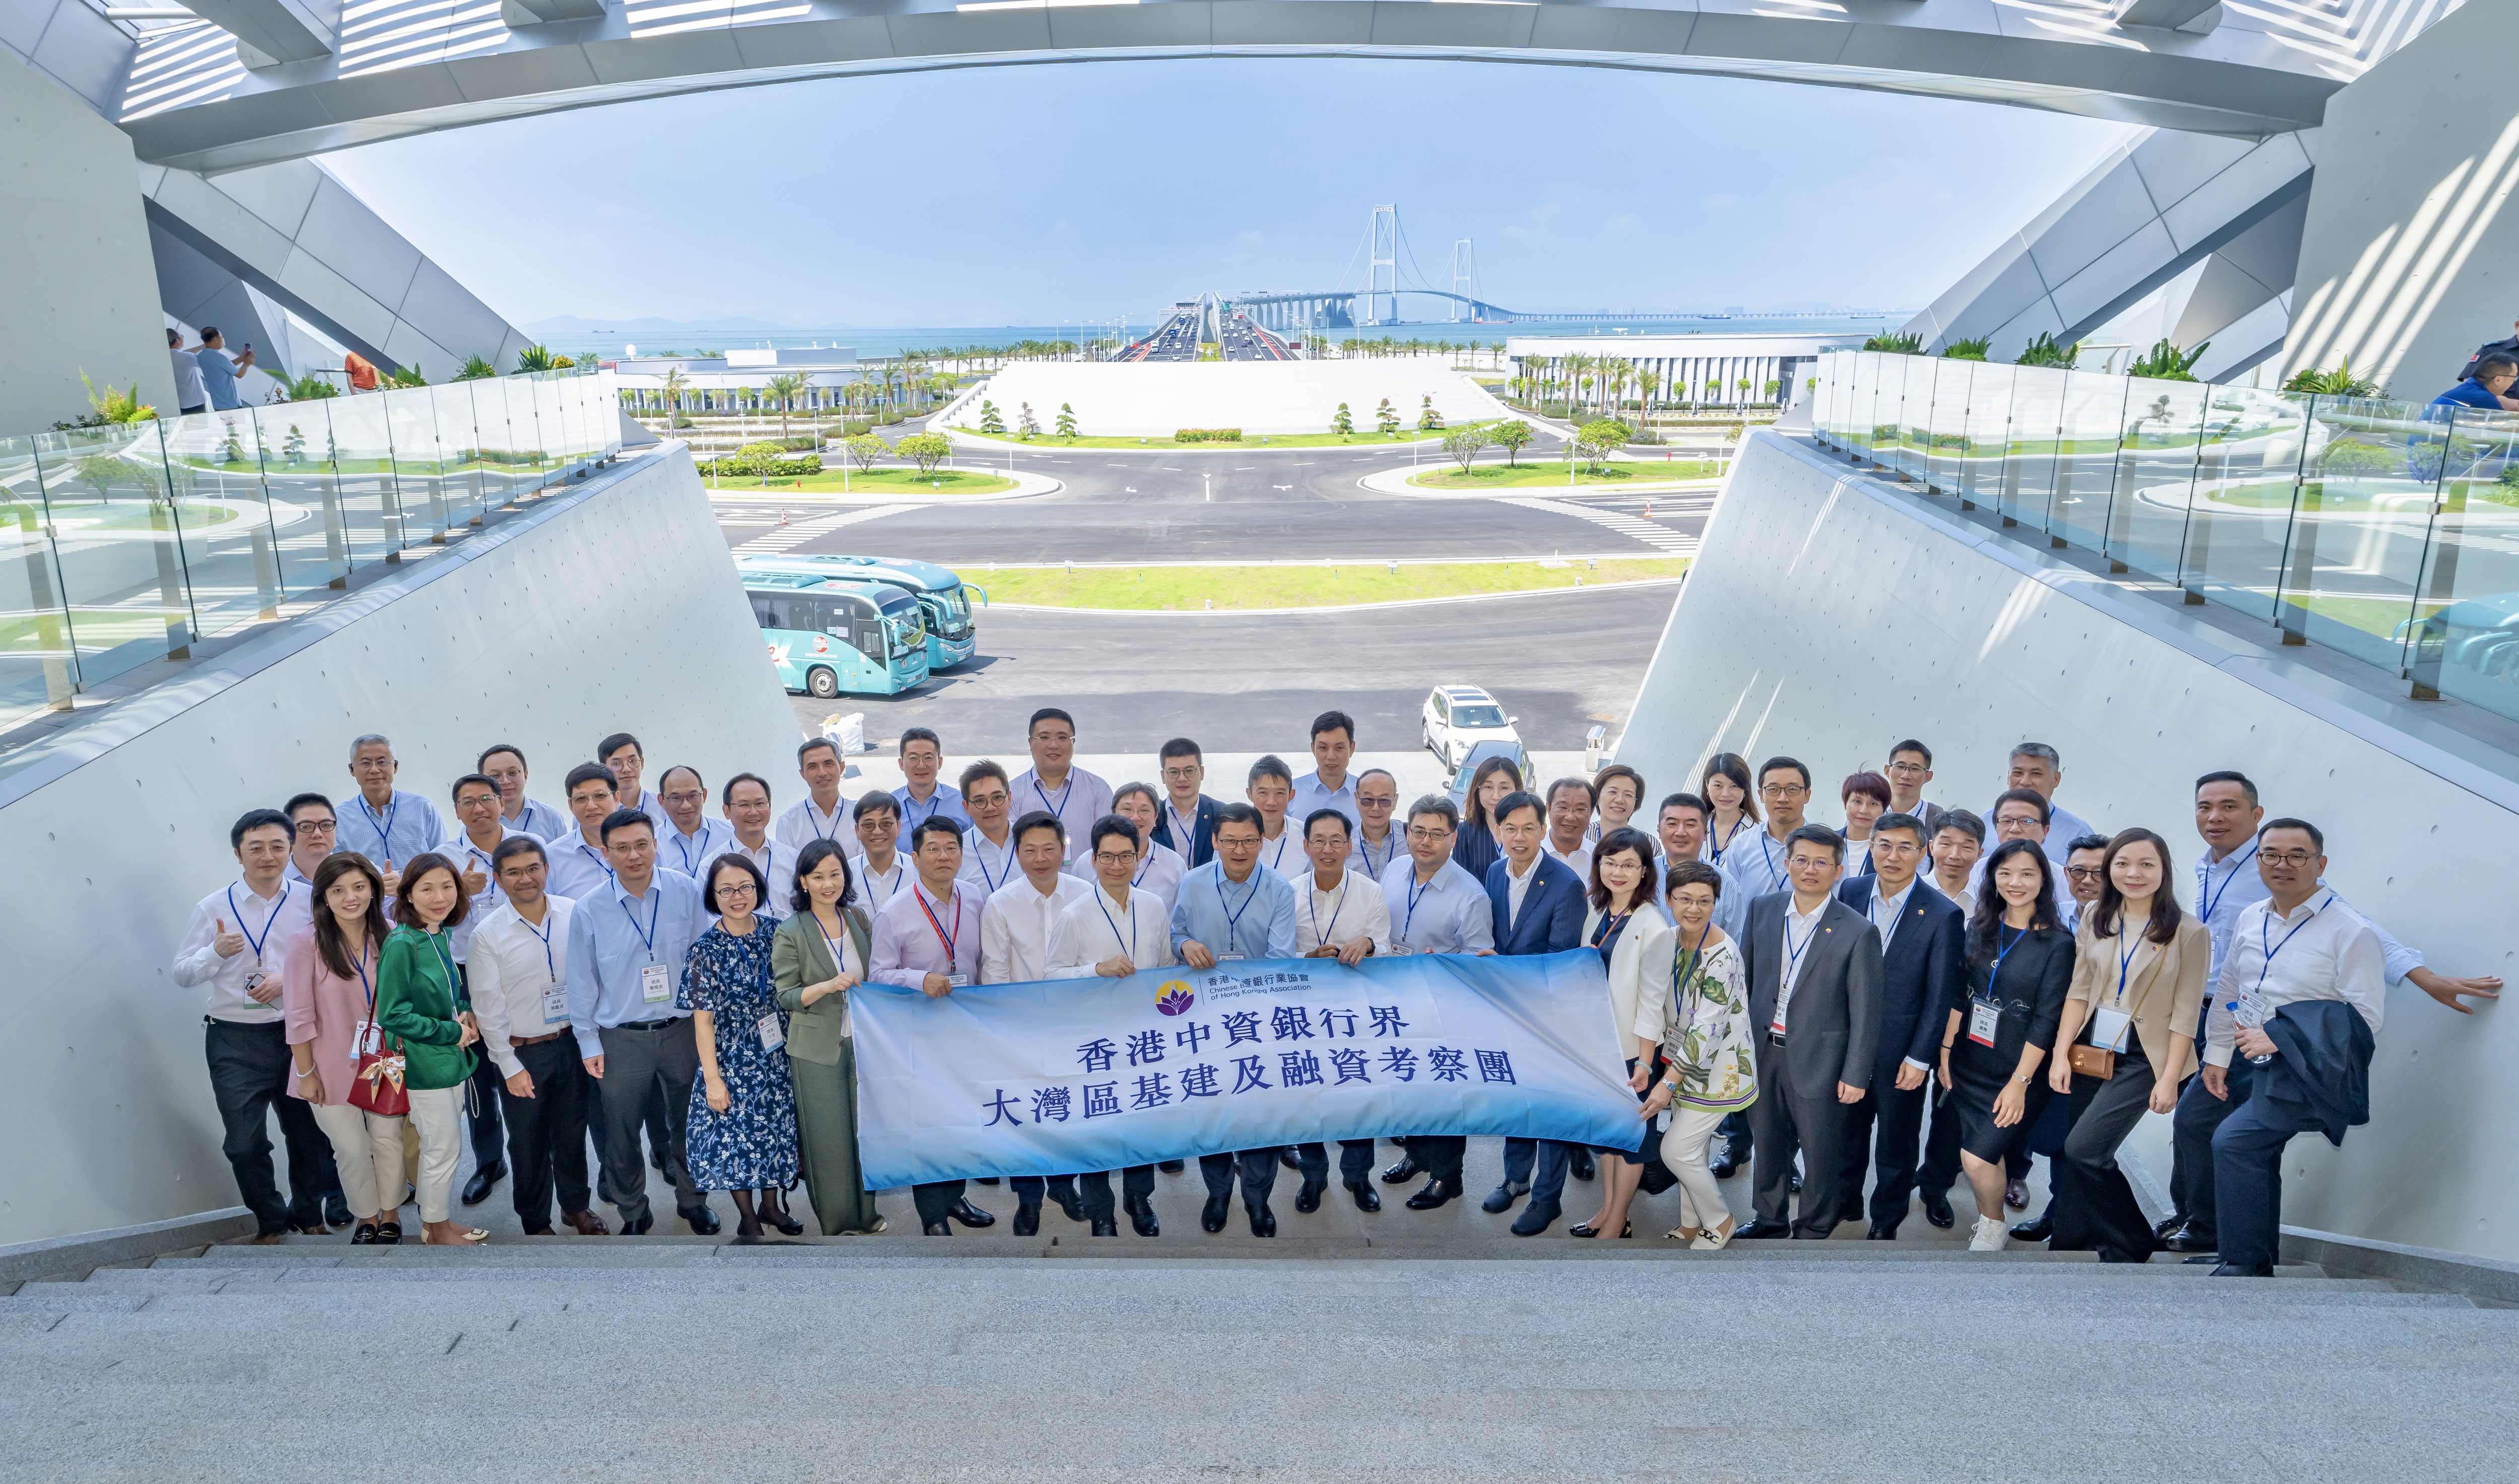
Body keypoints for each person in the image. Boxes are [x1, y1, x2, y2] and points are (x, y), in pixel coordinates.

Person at [2200, 819, 2387, 1277]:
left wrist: (2281, 1036)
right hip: (2245, 1052)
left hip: (2300, 1063)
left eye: (2297, 856)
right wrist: (2217, 1055)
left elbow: (2366, 1018)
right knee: (2193, 1123)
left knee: (2236, 1142)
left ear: (2320, 864)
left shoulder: (2351, 930)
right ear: (2258, 861)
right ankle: (2236, 1243)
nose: (2282, 864)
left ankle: (2246, 1261)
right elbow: (2231, 987)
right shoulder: (2252, 916)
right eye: (2271, 854)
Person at [2046, 827, 2206, 1265]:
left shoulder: (2189, 932)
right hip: (2094, 1045)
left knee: (2086, 1149)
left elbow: (2187, 1014)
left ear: (2163, 870)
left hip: (2144, 1055)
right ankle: (2075, 1238)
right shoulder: (2097, 915)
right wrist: (2060, 1053)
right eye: (2123, 864)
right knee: (2077, 1148)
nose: (2134, 873)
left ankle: (2132, 1241)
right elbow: (2079, 991)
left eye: (2146, 864)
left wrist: (2169, 1079)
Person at [175, 809, 329, 1242]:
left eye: (278, 846)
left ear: (291, 849)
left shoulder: (311, 900)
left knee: (309, 1133)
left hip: (298, 1034)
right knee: (244, 1143)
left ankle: (309, 1214)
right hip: (234, 1039)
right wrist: (214, 953)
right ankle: (271, 1220)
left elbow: (331, 961)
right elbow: (182, 973)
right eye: (256, 848)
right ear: (238, 854)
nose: (268, 856)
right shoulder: (212, 907)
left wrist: (289, 980)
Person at [566, 808, 718, 1236]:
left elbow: (702, 961)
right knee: (621, 1131)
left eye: (641, 845)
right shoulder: (589, 908)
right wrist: (588, 1041)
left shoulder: (686, 891)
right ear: (605, 853)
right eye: (622, 848)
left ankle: (694, 1201)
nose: (634, 855)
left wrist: (709, 1027)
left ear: (655, 845)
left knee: (690, 1121)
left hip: (681, 1030)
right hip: (621, 1037)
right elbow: (581, 980)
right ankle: (634, 1210)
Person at [1735, 825, 1880, 1241]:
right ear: (1787, 864)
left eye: (1821, 862)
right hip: (1764, 1050)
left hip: (1822, 1059)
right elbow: (1744, 982)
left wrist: (1856, 1074)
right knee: (1767, 1141)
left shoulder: (1858, 931)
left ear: (1838, 871)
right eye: (1801, 860)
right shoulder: (1763, 909)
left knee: (1820, 1150)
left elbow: (1866, 1010)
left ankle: (1815, 1224)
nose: (1810, 869)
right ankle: (1769, 1218)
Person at [1832, 811, 1965, 1239]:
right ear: (1870, 847)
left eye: (1905, 847)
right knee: (1846, 1132)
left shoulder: (1943, 914)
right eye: (1884, 846)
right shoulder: (1850, 891)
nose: (1893, 856)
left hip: (1901, 1051)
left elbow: (1941, 995)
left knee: (1896, 1141)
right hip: (1847, 1044)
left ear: (1923, 853)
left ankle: (1887, 1220)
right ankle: (1845, 1203)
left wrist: (1920, 1057)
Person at [1936, 839, 2074, 1251]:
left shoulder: (2059, 944)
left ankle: (1993, 1225)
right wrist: (1945, 1052)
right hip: (1968, 1063)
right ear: (1993, 877)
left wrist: (2020, 1083)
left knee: (1977, 1157)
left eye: (2027, 874)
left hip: (2018, 1073)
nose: (2016, 882)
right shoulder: (1979, 928)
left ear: (2044, 881)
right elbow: (1960, 995)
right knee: (1981, 1154)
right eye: (2006, 873)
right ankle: (1990, 1221)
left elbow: (2047, 1019)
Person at [1044, 814, 1178, 1236]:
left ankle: (1139, 1200)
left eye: (1125, 856)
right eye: (1107, 857)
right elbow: (1050, 976)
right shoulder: (1074, 915)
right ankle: (1101, 1211)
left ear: (1139, 857)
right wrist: (1095, 969)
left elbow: (1165, 966)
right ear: (1093, 859)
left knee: (1143, 1119)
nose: (1116, 865)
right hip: (1095, 1040)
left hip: (1143, 1037)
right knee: (1098, 1124)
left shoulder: (1154, 907)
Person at [1169, 803, 1298, 1235]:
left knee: (1261, 1108)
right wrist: (1185, 946)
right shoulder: (1193, 882)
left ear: (1262, 842)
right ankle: (1219, 1192)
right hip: (1205, 1015)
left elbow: (1280, 959)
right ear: (1215, 842)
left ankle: (1258, 1199)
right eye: (1229, 841)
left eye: (1248, 841)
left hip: (1259, 1017)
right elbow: (1176, 933)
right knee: (1214, 1107)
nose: (1239, 850)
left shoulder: (1280, 890)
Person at [468, 835, 605, 1237]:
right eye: (513, 872)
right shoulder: (487, 935)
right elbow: (487, 1008)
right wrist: (508, 1066)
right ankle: (535, 1219)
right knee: (527, 1141)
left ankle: (576, 1207)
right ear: (498, 878)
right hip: (522, 1052)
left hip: (572, 1042)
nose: (525, 878)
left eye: (532, 868)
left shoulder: (574, 912)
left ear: (546, 869)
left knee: (572, 1131)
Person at [869, 817, 997, 1236]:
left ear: (961, 853)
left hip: (966, 1027)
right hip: (919, 1032)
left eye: (951, 848)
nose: (944, 856)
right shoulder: (894, 912)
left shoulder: (974, 897)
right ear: (915, 856)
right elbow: (878, 975)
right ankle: (933, 1216)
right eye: (933, 849)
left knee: (961, 1118)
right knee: (928, 1124)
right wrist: (918, 979)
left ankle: (955, 1196)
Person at [1375, 795, 1497, 1203]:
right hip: (1396, 1002)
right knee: (1409, 1082)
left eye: (1437, 834)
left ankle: (1448, 1176)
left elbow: (1479, 960)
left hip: (1443, 1008)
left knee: (1444, 1092)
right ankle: (1416, 1155)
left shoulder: (1470, 895)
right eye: (1419, 832)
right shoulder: (1394, 869)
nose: (1425, 842)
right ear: (1407, 832)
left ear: (1453, 838)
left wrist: (1442, 962)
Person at [1481, 789, 1590, 1235]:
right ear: (1498, 831)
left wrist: (1503, 969)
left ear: (1544, 830)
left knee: (1550, 1108)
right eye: (1510, 829)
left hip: (1550, 1016)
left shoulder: (1566, 884)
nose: (1519, 837)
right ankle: (1515, 1179)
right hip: (1506, 1013)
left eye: (1529, 828)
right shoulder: (1494, 872)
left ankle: (1548, 1198)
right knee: (1517, 1099)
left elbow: (1561, 959)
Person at [282, 853, 403, 1243]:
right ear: (323, 897)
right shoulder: (306, 943)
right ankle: (366, 1216)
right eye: (338, 890)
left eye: (359, 887)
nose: (350, 897)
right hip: (327, 1063)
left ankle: (391, 1214)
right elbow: (298, 1016)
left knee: (387, 1140)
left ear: (373, 890)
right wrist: (306, 1074)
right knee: (350, 1148)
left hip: (384, 1059)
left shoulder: (391, 933)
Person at [1635, 861, 1757, 1248]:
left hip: (1718, 1071)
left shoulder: (1723, 956)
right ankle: (1691, 1223)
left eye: (1705, 901)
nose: (1694, 908)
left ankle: (1720, 1221)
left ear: (1715, 903)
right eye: (1685, 899)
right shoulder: (1669, 939)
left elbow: (1707, 1030)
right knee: (1694, 1150)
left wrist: (1667, 1084)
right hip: (1682, 1064)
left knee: (1675, 1150)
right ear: (1668, 899)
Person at [682, 854, 803, 1239]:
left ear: (758, 889)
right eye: (727, 890)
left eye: (745, 887)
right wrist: (713, 1080)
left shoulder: (778, 932)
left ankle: (771, 1207)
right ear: (713, 896)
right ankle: (748, 1217)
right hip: (731, 1058)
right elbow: (702, 1022)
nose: (737, 897)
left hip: (776, 1053)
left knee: (773, 1134)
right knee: (738, 1141)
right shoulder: (704, 950)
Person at [373, 852, 487, 1245]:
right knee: (442, 1146)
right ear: (407, 894)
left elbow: (451, 993)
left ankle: (434, 1221)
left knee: (443, 1145)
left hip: (449, 1059)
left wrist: (466, 1012)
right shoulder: (402, 943)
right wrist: (450, 1032)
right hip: (424, 1063)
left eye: (447, 887)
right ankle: (436, 1229)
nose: (439, 897)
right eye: (427, 889)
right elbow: (392, 1015)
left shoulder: (438, 934)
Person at [771, 839, 884, 1236]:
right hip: (817, 1049)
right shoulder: (790, 931)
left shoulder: (858, 918)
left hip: (863, 1043)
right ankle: (838, 1223)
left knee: (863, 1133)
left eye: (835, 874)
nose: (828, 884)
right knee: (827, 1140)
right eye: (817, 876)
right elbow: (786, 996)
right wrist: (826, 986)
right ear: (803, 882)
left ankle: (867, 1215)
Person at [1282, 808, 1390, 1215]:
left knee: (1358, 1092)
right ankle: (1313, 1177)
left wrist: (1368, 944)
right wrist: (1307, 958)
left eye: (1336, 841)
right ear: (1306, 845)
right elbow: (1277, 956)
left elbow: (1385, 946)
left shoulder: (1371, 892)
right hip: (1303, 1014)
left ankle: (1358, 1176)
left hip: (1354, 1014)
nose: (1327, 849)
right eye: (1319, 841)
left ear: (1349, 846)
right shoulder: (1288, 892)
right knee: (1307, 1095)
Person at [1571, 827, 1672, 1240]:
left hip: (1633, 1051)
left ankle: (1617, 1221)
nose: (1618, 871)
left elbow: (1652, 1004)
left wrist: (1646, 1063)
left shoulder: (1653, 925)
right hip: (1599, 1045)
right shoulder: (1597, 910)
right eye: (1610, 862)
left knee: (1631, 1138)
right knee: (1610, 1135)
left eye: (1629, 864)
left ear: (1645, 871)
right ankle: (1608, 1210)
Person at [437, 773, 514, 1206]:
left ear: (502, 801)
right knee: (477, 1071)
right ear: (456, 810)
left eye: (487, 798)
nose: (479, 808)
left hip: (522, 971)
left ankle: (538, 1153)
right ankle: (489, 1160)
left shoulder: (529, 847)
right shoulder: (442, 858)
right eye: (468, 801)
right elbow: (419, 915)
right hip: (465, 973)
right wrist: (457, 892)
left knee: (528, 1059)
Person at [1914, 806, 1987, 1224]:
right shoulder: (1911, 894)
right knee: (1903, 1106)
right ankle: (1897, 1177)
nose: (1955, 854)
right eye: (1946, 843)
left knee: (1950, 1109)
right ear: (1931, 846)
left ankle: (1935, 1185)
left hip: (1963, 1023)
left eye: (1967, 846)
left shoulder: (1988, 906)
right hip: (1913, 1017)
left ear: (1980, 853)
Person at [981, 811, 1091, 991]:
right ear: (1017, 854)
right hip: (1023, 1003)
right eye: (1030, 851)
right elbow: (996, 970)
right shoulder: (999, 903)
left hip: (1077, 998)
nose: (1040, 858)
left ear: (1063, 851)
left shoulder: (1085, 894)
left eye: (1049, 849)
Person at [337, 733, 444, 892]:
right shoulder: (339, 818)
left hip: (420, 899)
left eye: (382, 762)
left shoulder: (423, 808)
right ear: (352, 769)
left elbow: (442, 861)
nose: (375, 770)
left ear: (396, 766)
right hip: (369, 902)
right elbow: (339, 872)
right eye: (365, 763)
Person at [1011, 707, 1112, 864]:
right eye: (1044, 737)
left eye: (1062, 737)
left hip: (1084, 880)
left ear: (1073, 743)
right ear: (1030, 743)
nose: (1053, 745)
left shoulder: (1098, 790)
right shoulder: (1011, 793)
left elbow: (1110, 846)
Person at [1722, 756, 1812, 904]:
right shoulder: (1741, 845)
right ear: (1761, 795)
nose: (1782, 798)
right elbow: (1729, 902)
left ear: (1807, 795)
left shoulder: (1826, 847)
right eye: (1773, 790)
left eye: (1792, 790)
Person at [1999, 744, 2093, 867]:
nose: (2025, 782)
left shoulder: (2078, 833)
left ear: (2056, 779)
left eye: (2036, 774)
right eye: (2018, 773)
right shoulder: (1986, 822)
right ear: (2008, 777)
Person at [545, 763, 623, 902]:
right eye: (581, 798)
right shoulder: (551, 857)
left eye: (600, 796)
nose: (591, 806)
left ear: (616, 799)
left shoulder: (641, 848)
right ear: (571, 805)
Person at [1109, 783, 1187, 917]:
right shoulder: (1088, 863)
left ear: (1156, 817)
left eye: (1144, 810)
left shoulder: (1174, 864)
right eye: (1127, 809)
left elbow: (1183, 917)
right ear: (1113, 813)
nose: (1135, 817)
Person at [721, 772, 794, 908]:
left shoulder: (793, 859)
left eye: (760, 803)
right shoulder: (711, 866)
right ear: (727, 811)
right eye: (744, 805)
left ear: (770, 806)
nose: (754, 812)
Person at [775, 737, 853, 856]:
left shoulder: (859, 817)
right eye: (812, 766)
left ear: (842, 767)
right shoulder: (788, 823)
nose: (822, 773)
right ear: (803, 774)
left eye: (828, 764)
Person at [477, 744, 570, 841]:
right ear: (483, 781)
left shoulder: (550, 816)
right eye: (496, 776)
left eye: (513, 773)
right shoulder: (477, 820)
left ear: (526, 775)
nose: (506, 781)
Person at [1451, 754, 1523, 881]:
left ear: (1517, 790)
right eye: (1488, 787)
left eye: (1504, 788)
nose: (1496, 796)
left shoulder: (1527, 830)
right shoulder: (1465, 832)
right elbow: (1459, 881)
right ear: (1477, 790)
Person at [655, 765, 735, 881]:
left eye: (693, 796)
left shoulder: (730, 835)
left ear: (704, 795)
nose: (686, 805)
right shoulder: (653, 843)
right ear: (661, 800)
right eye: (676, 798)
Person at [1152, 737, 1220, 868]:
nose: (1182, 779)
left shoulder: (1220, 813)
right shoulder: (1152, 816)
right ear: (1163, 776)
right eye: (1174, 772)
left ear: (1202, 772)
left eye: (1189, 771)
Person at [1290, 709, 1362, 833]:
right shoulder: (1291, 793)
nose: (1331, 756)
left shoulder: (1366, 796)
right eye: (1323, 748)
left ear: (1352, 748)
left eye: (1339, 748)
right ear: (1313, 748)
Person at [956, 760, 1021, 896]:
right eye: (980, 801)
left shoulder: (1031, 843)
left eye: (997, 798)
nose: (990, 808)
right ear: (966, 807)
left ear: (1009, 798)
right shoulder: (956, 853)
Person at [1244, 755, 1306, 879]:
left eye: (1280, 793)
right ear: (1250, 794)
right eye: (1263, 793)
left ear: (1291, 795)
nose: (1271, 802)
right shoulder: (1233, 837)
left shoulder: (1306, 835)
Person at [895, 727, 969, 830]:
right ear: (901, 764)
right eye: (913, 758)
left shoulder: (962, 804)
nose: (921, 766)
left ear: (940, 762)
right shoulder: (890, 806)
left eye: (928, 758)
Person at [847, 792, 909, 913]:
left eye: (886, 823)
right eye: (868, 825)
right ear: (857, 831)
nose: (877, 831)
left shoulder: (919, 872)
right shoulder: (845, 874)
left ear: (898, 827)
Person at [1696, 753, 1759, 870]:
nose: (1726, 794)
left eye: (1734, 786)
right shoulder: (1695, 826)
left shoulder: (1757, 835)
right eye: (1718, 786)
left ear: (1745, 788)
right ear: (1707, 785)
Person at [598, 732, 670, 835]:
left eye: (632, 761)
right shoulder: (595, 812)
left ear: (642, 763)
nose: (626, 769)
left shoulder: (663, 807)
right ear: (604, 768)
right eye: (616, 764)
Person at [1349, 769, 1404, 880]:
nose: (1376, 808)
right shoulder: (1345, 846)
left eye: (1384, 800)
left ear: (1395, 802)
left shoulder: (1411, 838)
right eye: (1368, 800)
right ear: (1357, 799)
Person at [1541, 776, 1597, 883]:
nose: (1570, 817)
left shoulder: (1600, 858)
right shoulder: (1528, 854)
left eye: (1580, 809)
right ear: (1548, 808)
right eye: (1563, 808)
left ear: (1591, 812)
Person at [1587, 765, 1654, 852]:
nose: (1620, 800)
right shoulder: (1581, 835)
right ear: (1597, 797)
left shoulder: (1650, 844)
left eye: (1628, 795)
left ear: (1635, 805)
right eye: (1613, 792)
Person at [1883, 739, 1944, 835]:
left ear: (1928, 777)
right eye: (1900, 767)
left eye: (1915, 769)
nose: (1906, 776)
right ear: (1887, 771)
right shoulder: (1869, 813)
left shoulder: (1937, 820)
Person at [1838, 771, 1890, 879]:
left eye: (1873, 804)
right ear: (1845, 803)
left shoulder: (1888, 850)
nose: (1864, 811)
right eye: (1857, 802)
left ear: (1884, 810)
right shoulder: (1825, 843)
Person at [2058, 834, 2111, 934]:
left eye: (2099, 872)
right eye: (2079, 871)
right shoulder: (2055, 916)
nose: (2087, 881)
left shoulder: (2127, 922)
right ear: (2067, 873)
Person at [191, 325, 253, 412]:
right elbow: (240, 374)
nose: (223, 339)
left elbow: (225, 367)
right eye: (221, 337)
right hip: (231, 405)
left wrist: (242, 358)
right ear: (216, 340)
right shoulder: (218, 357)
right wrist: (247, 364)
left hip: (218, 405)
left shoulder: (201, 356)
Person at [282, 792, 338, 887]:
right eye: (306, 827)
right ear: (288, 833)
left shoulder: (357, 872)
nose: (317, 834)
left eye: (326, 825)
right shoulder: (273, 878)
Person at [2432, 352, 2519, 412]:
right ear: (2498, 380)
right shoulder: (2485, 398)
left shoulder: (2465, 389)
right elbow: (2503, 428)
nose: (2513, 383)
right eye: (2514, 378)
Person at [169, 326, 207, 415]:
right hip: (196, 402)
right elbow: (206, 363)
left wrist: (203, 346)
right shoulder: (184, 357)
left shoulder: (169, 356)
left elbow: (186, 353)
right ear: (177, 340)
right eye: (182, 336)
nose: (183, 338)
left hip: (182, 402)